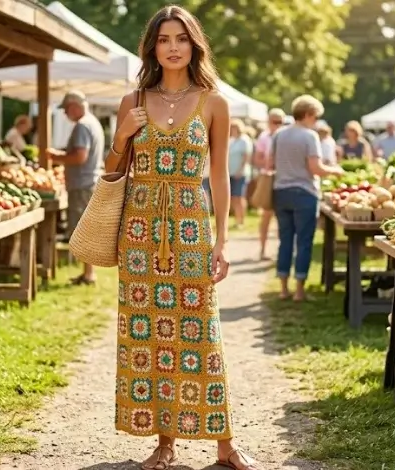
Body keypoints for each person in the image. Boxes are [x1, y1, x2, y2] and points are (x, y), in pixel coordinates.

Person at [105, 5, 260, 470]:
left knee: (201, 332)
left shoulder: (214, 101)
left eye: (182, 39)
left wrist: (223, 240)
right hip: (140, 230)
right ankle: (165, 442)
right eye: (164, 39)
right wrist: (121, 137)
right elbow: (114, 172)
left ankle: (225, 445)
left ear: (194, 45)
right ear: (152, 47)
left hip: (191, 226)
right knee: (151, 335)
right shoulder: (132, 101)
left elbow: (219, 176)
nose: (173, 47)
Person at [271, 95, 343, 302]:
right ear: (309, 114)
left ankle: (283, 288)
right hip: (304, 193)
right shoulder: (310, 136)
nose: (316, 120)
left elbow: (271, 163)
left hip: (281, 192)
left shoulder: (279, 135)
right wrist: (334, 171)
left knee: (285, 240)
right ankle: (299, 290)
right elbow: (316, 169)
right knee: (303, 242)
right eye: (315, 116)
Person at [46, 90, 105, 286]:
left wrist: (56, 157)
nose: (64, 114)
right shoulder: (93, 122)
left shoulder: (82, 126)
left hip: (82, 184)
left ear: (74, 106)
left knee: (82, 231)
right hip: (88, 183)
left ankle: (89, 274)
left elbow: (80, 157)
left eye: (65, 110)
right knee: (87, 229)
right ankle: (88, 272)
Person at [253, 108, 286, 260]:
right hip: (268, 178)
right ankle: (262, 250)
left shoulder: (286, 136)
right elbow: (257, 159)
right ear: (269, 122)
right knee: (266, 215)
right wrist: (267, 164)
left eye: (280, 122)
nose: (277, 124)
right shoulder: (264, 137)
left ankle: (281, 251)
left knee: (282, 217)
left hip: (282, 178)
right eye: (275, 121)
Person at [228, 118, 253, 228]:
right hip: (231, 172)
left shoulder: (244, 140)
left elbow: (246, 157)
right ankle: (236, 219)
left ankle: (241, 220)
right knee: (233, 197)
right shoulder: (231, 140)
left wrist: (240, 170)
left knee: (239, 197)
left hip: (240, 173)